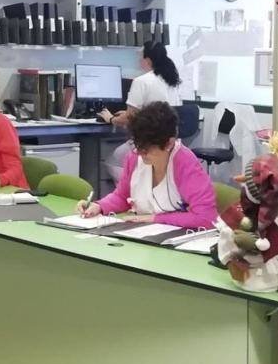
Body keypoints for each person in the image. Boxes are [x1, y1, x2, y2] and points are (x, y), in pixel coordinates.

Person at [78, 102, 216, 229]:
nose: (139, 152)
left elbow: (206, 218)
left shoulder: (186, 163)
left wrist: (155, 219)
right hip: (144, 232)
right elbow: (122, 196)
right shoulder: (134, 157)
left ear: (169, 143)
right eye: (138, 145)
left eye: (146, 148)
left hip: (179, 238)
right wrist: (99, 206)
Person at [102, 41, 182, 180]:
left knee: (112, 161)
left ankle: (131, 189)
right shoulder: (172, 81)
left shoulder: (141, 81)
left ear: (148, 60)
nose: (139, 60)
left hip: (147, 142)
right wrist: (129, 113)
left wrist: (110, 118)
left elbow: (129, 118)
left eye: (141, 57)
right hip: (169, 143)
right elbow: (155, 112)